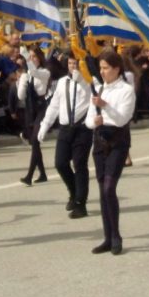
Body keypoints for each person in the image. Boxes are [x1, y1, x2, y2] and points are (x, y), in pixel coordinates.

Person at [87, 49, 135, 255]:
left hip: (117, 141)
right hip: (99, 141)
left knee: (109, 188)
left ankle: (116, 235)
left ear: (116, 69)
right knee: (101, 191)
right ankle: (107, 237)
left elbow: (123, 118)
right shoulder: (99, 90)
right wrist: (94, 121)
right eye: (101, 68)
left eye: (106, 68)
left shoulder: (126, 90)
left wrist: (104, 106)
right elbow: (89, 119)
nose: (103, 72)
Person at [37, 54, 93, 218]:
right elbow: (54, 106)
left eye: (76, 63)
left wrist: (81, 79)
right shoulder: (62, 82)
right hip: (65, 128)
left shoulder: (89, 81)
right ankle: (73, 192)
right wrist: (44, 125)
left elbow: (93, 93)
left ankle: (81, 204)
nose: (73, 66)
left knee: (80, 164)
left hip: (82, 128)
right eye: (70, 63)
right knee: (60, 163)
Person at [17, 45, 51, 186]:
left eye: (34, 56)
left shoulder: (44, 72)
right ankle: (42, 173)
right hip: (30, 109)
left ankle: (29, 175)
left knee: (36, 141)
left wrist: (26, 60)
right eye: (30, 57)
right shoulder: (26, 74)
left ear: (40, 58)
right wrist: (23, 82)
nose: (32, 59)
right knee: (34, 142)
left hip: (41, 108)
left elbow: (35, 72)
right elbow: (21, 96)